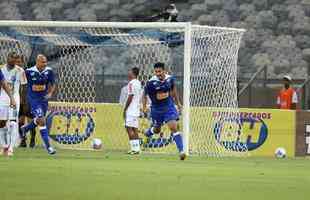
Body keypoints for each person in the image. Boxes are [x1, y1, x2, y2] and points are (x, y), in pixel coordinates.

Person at [142, 62, 185, 160]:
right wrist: (144, 107)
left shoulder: (170, 79)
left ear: (164, 71)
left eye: (160, 71)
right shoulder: (151, 83)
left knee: (173, 127)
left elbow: (173, 90)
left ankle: (181, 151)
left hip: (168, 107)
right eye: (156, 72)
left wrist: (178, 103)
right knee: (157, 129)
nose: (158, 73)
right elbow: (144, 95)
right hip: (156, 109)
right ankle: (150, 131)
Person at [21, 54, 56, 155]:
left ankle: (25, 129)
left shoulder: (49, 71)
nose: (45, 64)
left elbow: (53, 83)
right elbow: (23, 83)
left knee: (39, 120)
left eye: (45, 62)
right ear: (37, 62)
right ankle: (49, 147)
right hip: (33, 99)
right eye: (43, 62)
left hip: (43, 100)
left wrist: (50, 93)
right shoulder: (29, 71)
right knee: (41, 120)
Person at [0, 52, 25, 156]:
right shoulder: (1, 68)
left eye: (16, 59)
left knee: (13, 123)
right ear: (8, 58)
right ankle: (3, 145)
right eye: (13, 58)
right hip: (2, 98)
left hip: (14, 98)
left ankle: (11, 147)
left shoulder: (20, 71)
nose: (14, 61)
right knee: (1, 123)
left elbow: (24, 86)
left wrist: (22, 100)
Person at [15, 55, 37, 148]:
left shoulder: (27, 73)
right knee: (20, 121)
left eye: (19, 62)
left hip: (28, 100)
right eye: (16, 62)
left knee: (30, 120)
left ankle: (32, 139)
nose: (18, 64)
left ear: (22, 63)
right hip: (18, 100)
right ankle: (23, 140)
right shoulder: (12, 73)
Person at [123, 67, 142, 154]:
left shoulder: (131, 83)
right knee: (134, 129)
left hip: (131, 110)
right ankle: (137, 149)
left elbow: (130, 96)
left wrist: (125, 109)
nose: (128, 73)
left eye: (129, 71)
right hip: (136, 109)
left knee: (129, 129)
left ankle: (134, 149)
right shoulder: (138, 83)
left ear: (133, 73)